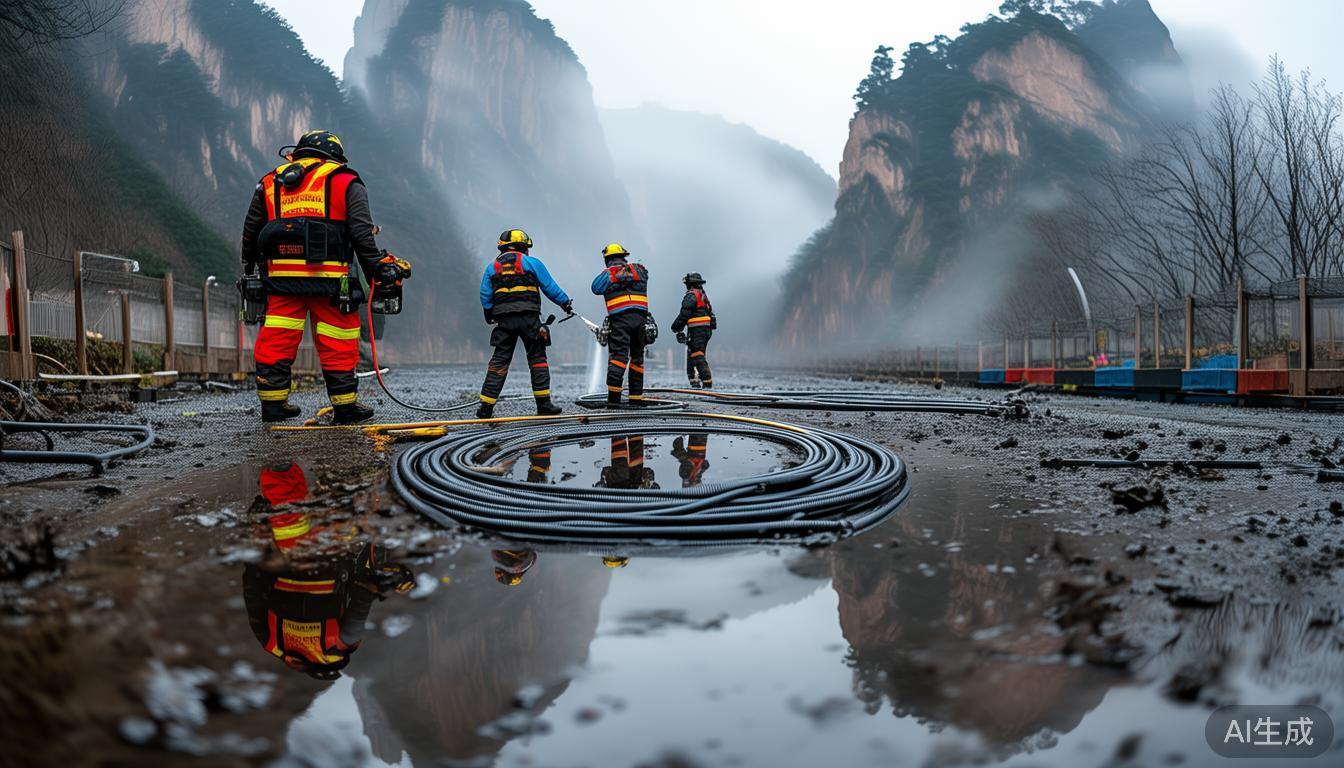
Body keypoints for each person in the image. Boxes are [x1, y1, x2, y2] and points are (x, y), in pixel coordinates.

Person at [241, 129, 409, 424]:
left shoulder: (269, 182)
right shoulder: (345, 181)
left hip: (281, 281)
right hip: (332, 282)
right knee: (339, 341)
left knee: (276, 341)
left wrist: (249, 268)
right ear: (334, 155)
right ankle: (345, 408)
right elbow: (361, 235)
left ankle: (273, 408)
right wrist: (377, 273)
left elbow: (251, 230)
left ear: (299, 152)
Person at [477, 229, 573, 419]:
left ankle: (485, 407)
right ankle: (544, 404)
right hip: (529, 318)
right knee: (537, 358)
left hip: (504, 320)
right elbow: (549, 286)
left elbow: (485, 295)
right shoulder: (531, 263)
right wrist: (565, 303)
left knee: (499, 361)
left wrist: (489, 314)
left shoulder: (491, 267)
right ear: (523, 247)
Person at [590, 243, 653, 407]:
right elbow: (645, 274)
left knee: (618, 358)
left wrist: (612, 274)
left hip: (620, 320)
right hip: (640, 319)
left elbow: (595, 288)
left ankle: (614, 401)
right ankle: (636, 399)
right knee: (637, 358)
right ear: (624, 256)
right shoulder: (638, 270)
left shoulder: (608, 275)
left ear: (607, 259)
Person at [671, 272, 716, 389]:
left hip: (698, 331)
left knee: (697, 355)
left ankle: (707, 386)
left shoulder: (691, 296)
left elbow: (684, 314)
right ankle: (695, 385)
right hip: (704, 331)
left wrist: (676, 327)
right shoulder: (703, 295)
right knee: (692, 355)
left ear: (689, 284)